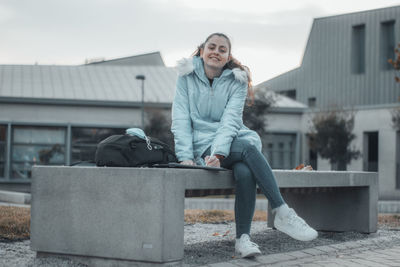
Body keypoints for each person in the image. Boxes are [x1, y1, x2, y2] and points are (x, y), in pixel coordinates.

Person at [171, 33, 318, 258]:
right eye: (212, 47)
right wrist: (185, 157)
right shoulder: (186, 77)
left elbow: (230, 122)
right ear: (201, 51)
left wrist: (219, 153)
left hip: (229, 142)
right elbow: (180, 119)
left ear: (228, 56)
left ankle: (243, 239)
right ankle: (281, 211)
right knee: (248, 152)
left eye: (222, 49)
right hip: (202, 147)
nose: (216, 52)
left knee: (245, 171)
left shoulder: (236, 82)